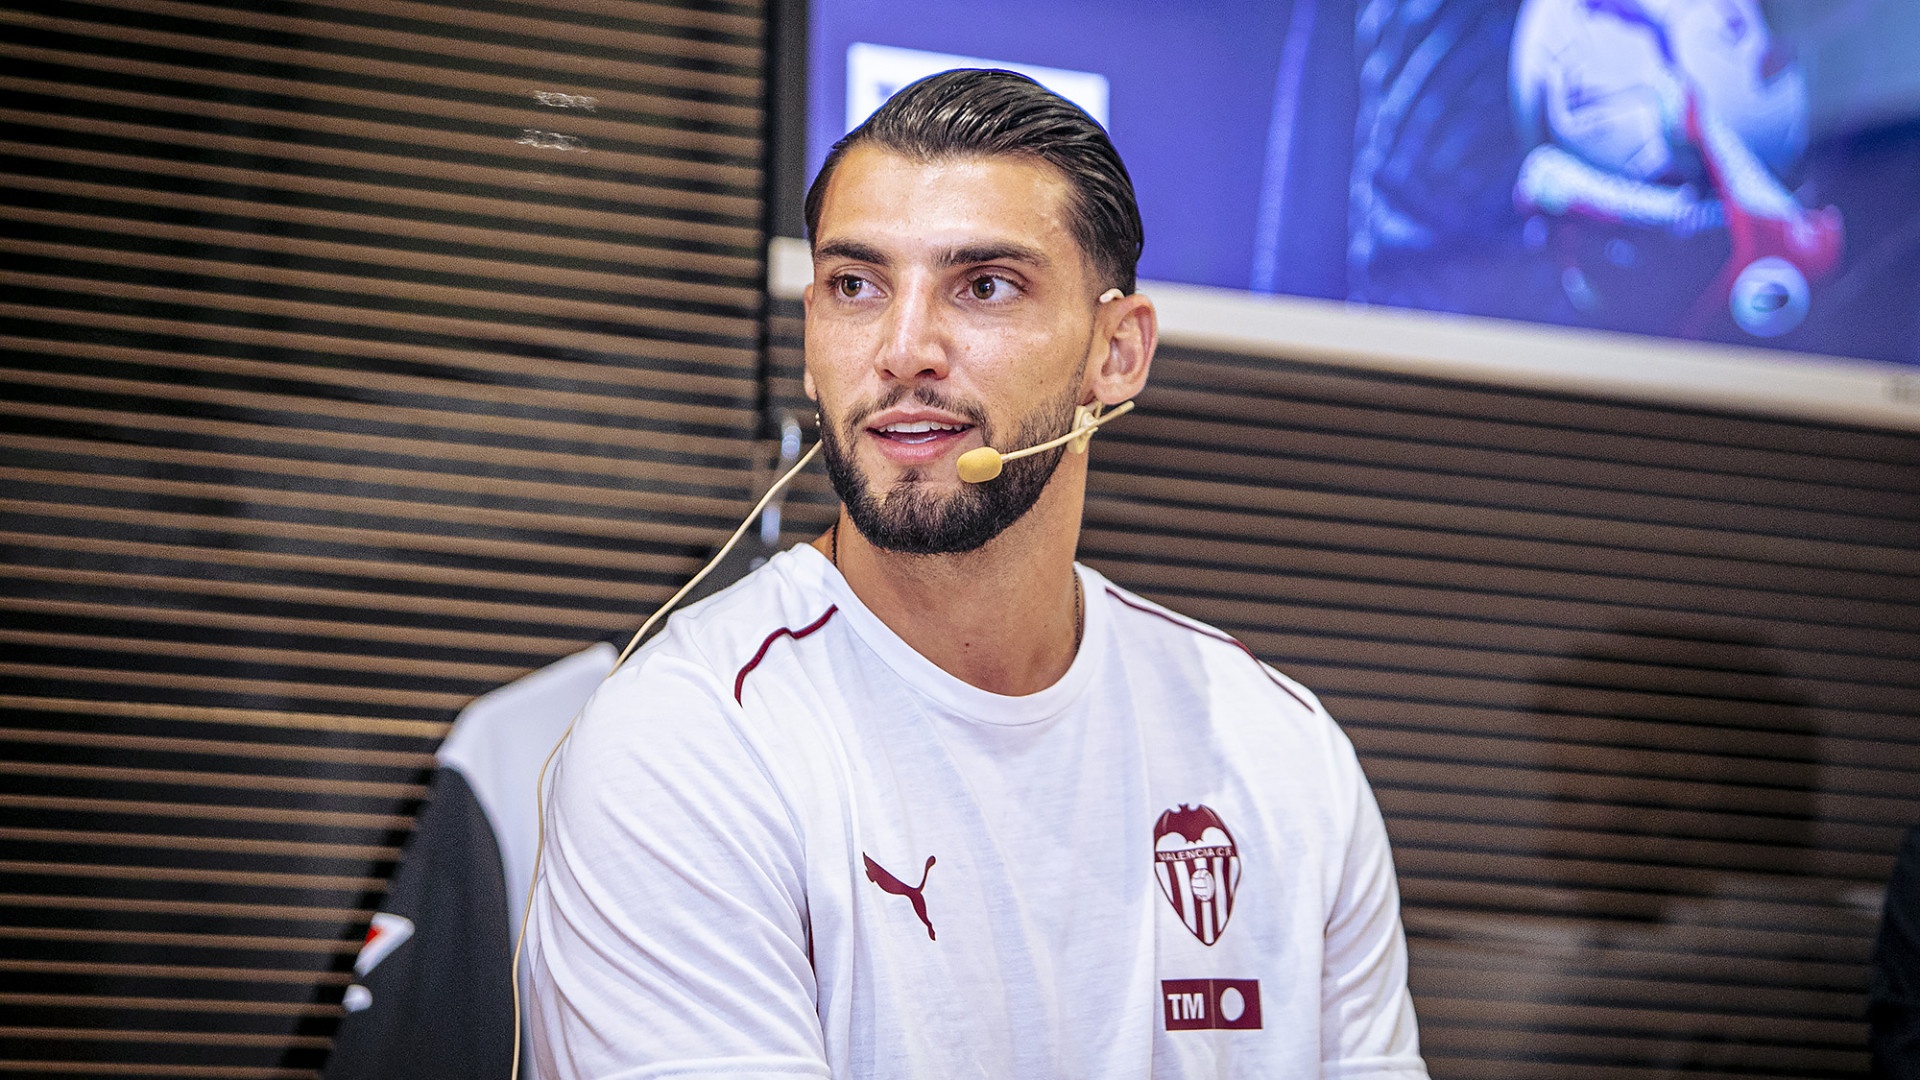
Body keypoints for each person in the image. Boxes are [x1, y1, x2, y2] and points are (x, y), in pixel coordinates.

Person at [526, 68, 1427, 1079]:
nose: (904, 349)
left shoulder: (1280, 753)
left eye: (985, 286)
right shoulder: (691, 740)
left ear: (1117, 354)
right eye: (855, 286)